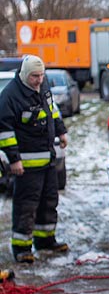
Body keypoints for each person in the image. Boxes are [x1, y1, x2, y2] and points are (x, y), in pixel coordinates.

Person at [0, 55, 69, 263]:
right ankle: (21, 248)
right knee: (26, 205)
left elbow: (52, 111)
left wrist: (61, 132)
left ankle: (45, 239)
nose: (39, 80)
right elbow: (4, 131)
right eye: (34, 77)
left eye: (41, 76)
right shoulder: (10, 96)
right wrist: (14, 160)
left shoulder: (43, 86)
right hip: (26, 164)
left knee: (49, 200)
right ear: (24, 75)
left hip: (48, 159)